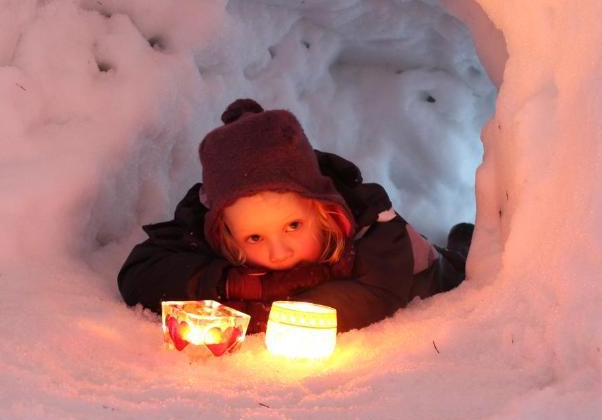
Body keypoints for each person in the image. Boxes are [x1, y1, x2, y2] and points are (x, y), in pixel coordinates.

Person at [117, 98, 471, 333]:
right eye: (254, 238)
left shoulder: (372, 227)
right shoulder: (214, 223)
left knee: (464, 265)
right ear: (223, 232)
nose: (279, 252)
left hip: (429, 272)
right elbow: (140, 274)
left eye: (293, 226)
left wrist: (272, 310)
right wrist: (234, 283)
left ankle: (464, 243)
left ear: (322, 211)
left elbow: (377, 295)